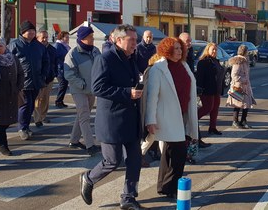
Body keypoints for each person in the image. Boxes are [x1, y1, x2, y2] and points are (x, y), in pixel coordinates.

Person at [80, 24, 146, 210]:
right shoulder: (105, 59)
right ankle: (88, 178)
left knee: (135, 159)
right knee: (112, 160)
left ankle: (128, 198)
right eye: (132, 40)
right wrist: (127, 93)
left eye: (136, 39)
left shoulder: (131, 57)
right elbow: (98, 88)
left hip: (131, 117)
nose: (136, 43)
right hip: (112, 120)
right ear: (118, 40)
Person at [145, 37, 199, 199]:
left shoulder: (184, 66)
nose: (179, 51)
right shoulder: (158, 68)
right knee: (179, 153)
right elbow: (152, 97)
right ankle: (172, 187)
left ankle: (164, 187)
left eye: (180, 48)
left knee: (169, 153)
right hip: (166, 116)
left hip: (182, 114)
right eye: (175, 48)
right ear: (167, 50)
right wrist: (150, 120)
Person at [8, 21, 49, 140]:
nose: (31, 32)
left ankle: (25, 126)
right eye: (28, 31)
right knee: (25, 105)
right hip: (22, 81)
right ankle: (22, 127)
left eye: (33, 31)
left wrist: (43, 76)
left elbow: (46, 61)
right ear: (22, 32)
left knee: (31, 106)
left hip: (37, 81)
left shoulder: (39, 46)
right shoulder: (15, 45)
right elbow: (9, 61)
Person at [65, 26, 101, 156]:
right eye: (90, 37)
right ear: (83, 39)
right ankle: (90, 145)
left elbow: (101, 67)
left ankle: (74, 141)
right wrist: (81, 84)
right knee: (85, 116)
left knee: (82, 115)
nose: (92, 39)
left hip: (92, 89)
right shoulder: (72, 54)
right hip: (79, 90)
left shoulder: (96, 51)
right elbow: (68, 74)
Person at [0, 36, 24, 156]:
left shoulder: (13, 58)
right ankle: (3, 146)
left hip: (12, 94)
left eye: (1, 46)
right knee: (0, 121)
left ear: (5, 46)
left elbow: (20, 73)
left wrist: (18, 87)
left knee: (8, 120)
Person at [196, 43, 225, 136]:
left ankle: (212, 128)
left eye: (216, 50)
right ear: (207, 50)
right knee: (207, 108)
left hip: (216, 89)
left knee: (215, 109)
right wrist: (200, 89)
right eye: (212, 49)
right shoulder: (203, 62)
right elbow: (199, 77)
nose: (214, 51)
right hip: (207, 90)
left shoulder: (216, 61)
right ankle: (192, 120)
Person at [226, 44, 256, 129]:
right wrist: (243, 80)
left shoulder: (244, 60)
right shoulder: (239, 61)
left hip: (245, 86)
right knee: (238, 104)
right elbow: (234, 75)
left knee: (246, 104)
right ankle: (235, 121)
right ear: (245, 52)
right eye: (247, 51)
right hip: (238, 86)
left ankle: (243, 121)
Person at [33, 30, 57, 127]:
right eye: (42, 37)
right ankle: (37, 118)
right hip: (38, 78)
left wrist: (54, 73)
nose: (45, 39)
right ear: (37, 38)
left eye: (46, 37)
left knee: (45, 99)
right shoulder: (34, 49)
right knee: (38, 99)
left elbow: (54, 62)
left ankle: (43, 116)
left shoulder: (52, 49)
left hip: (49, 78)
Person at [54, 31, 71, 108]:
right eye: (66, 37)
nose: (68, 39)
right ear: (61, 37)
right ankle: (58, 101)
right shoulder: (58, 46)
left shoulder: (65, 46)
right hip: (60, 68)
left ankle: (60, 100)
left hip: (65, 68)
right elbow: (57, 57)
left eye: (68, 37)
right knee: (63, 84)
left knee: (64, 84)